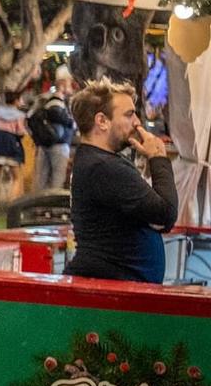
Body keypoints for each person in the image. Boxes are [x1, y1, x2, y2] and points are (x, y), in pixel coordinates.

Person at [65, 78, 177, 283]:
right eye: (129, 114)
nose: (137, 122)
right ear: (102, 121)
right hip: (108, 289)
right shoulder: (103, 167)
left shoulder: (99, 161)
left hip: (116, 285)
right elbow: (166, 213)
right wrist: (158, 158)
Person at [28, 73, 76, 191]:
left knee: (41, 179)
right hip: (58, 145)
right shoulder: (56, 100)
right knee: (57, 180)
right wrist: (72, 122)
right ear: (62, 85)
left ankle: (38, 207)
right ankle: (53, 208)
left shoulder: (44, 99)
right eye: (70, 84)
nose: (71, 88)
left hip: (45, 144)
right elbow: (56, 113)